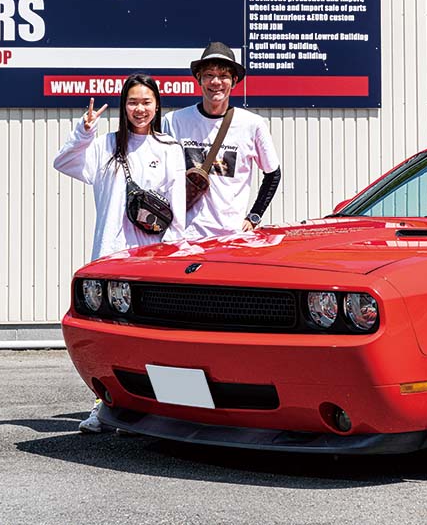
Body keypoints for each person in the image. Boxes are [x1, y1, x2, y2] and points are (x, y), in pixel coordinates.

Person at [54, 73, 185, 432]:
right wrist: (84, 132)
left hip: (155, 257)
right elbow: (64, 163)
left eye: (146, 102)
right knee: (108, 336)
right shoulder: (105, 145)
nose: (139, 109)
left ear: (157, 105)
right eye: (132, 102)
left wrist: (176, 256)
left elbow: (177, 210)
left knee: (154, 337)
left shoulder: (170, 148)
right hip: (111, 256)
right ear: (124, 107)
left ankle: (163, 408)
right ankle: (104, 406)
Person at [163, 41, 281, 237]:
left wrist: (254, 216)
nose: (215, 82)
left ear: (234, 81)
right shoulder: (174, 121)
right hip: (183, 236)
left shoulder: (252, 125)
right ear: (199, 79)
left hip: (230, 237)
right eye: (209, 75)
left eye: (223, 76)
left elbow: (273, 173)